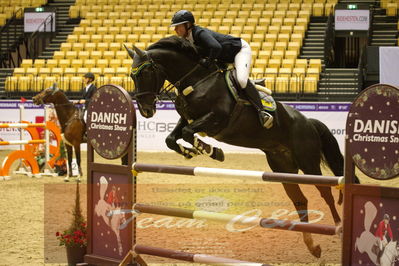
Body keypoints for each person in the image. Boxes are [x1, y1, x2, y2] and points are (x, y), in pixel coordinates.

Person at [170, 10, 273, 128]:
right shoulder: (187, 39)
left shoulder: (199, 33)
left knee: (242, 80)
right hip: (223, 56)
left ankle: (262, 112)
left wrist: (207, 61)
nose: (175, 30)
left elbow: (216, 47)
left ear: (187, 25)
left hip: (238, 51)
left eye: (178, 26)